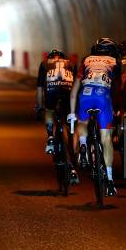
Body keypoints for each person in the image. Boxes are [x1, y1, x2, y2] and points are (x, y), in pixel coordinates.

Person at [68, 38, 122, 196]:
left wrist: (72, 112)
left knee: (82, 122)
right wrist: (117, 109)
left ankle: (83, 144)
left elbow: (75, 88)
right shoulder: (115, 62)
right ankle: (110, 181)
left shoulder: (86, 60)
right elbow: (117, 88)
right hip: (103, 97)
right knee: (106, 139)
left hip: (85, 94)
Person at [36, 49, 79, 184]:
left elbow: (40, 89)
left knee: (49, 110)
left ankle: (50, 138)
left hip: (52, 93)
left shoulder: (44, 64)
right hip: (68, 94)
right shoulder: (71, 64)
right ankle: (73, 165)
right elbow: (78, 86)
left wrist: (39, 106)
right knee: (71, 131)